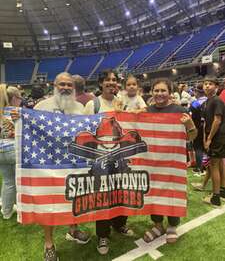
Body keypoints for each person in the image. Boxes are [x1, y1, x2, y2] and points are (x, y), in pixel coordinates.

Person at [13, 72, 90, 261]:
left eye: (69, 85)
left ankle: (73, 229)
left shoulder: (80, 107)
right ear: (54, 85)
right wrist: (19, 117)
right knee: (49, 205)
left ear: (73, 87)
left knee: (75, 200)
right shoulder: (41, 106)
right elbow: (29, 128)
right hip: (49, 166)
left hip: (74, 164)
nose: (65, 87)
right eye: (61, 84)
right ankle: (49, 243)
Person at [84, 69, 134, 255]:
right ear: (100, 83)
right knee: (103, 197)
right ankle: (102, 235)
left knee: (122, 192)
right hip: (101, 160)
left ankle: (120, 224)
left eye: (114, 80)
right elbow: (86, 131)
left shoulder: (123, 102)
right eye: (107, 80)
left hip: (120, 158)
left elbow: (131, 128)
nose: (112, 83)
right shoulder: (93, 104)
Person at [143, 78, 197, 244]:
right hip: (152, 162)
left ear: (170, 92)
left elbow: (192, 136)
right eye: (156, 90)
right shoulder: (147, 111)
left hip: (173, 162)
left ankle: (172, 225)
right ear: (152, 92)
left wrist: (189, 124)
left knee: (173, 191)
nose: (159, 94)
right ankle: (158, 225)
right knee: (154, 192)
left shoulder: (179, 110)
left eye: (163, 90)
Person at [202, 76, 225, 207]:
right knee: (219, 163)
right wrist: (206, 137)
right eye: (205, 84)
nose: (207, 86)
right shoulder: (208, 101)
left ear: (216, 86)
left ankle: (215, 198)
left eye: (210, 84)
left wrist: (209, 138)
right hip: (214, 136)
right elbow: (207, 122)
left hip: (217, 137)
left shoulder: (216, 101)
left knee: (214, 165)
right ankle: (221, 191)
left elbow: (217, 120)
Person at [0, 84, 23, 219]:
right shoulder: (17, 112)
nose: (21, 100)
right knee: (20, 181)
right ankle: (21, 209)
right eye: (20, 97)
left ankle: (6, 212)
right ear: (14, 98)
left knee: (8, 181)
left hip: (1, 151)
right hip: (14, 150)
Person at [190, 83, 207, 175]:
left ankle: (200, 168)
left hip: (198, 128)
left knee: (198, 148)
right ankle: (208, 167)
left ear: (197, 92)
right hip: (209, 128)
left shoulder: (195, 104)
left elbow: (190, 118)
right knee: (207, 148)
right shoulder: (210, 101)